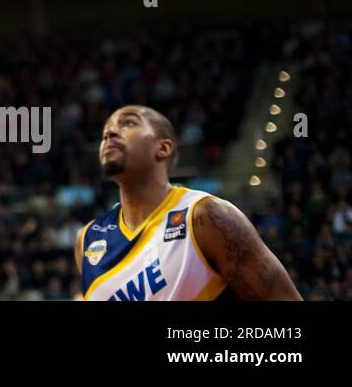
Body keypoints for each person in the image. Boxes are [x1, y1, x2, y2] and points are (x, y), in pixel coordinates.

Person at [77, 105, 301, 301]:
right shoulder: (87, 239)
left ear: (163, 148)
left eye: (128, 123)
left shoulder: (206, 217)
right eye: (106, 130)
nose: (109, 132)